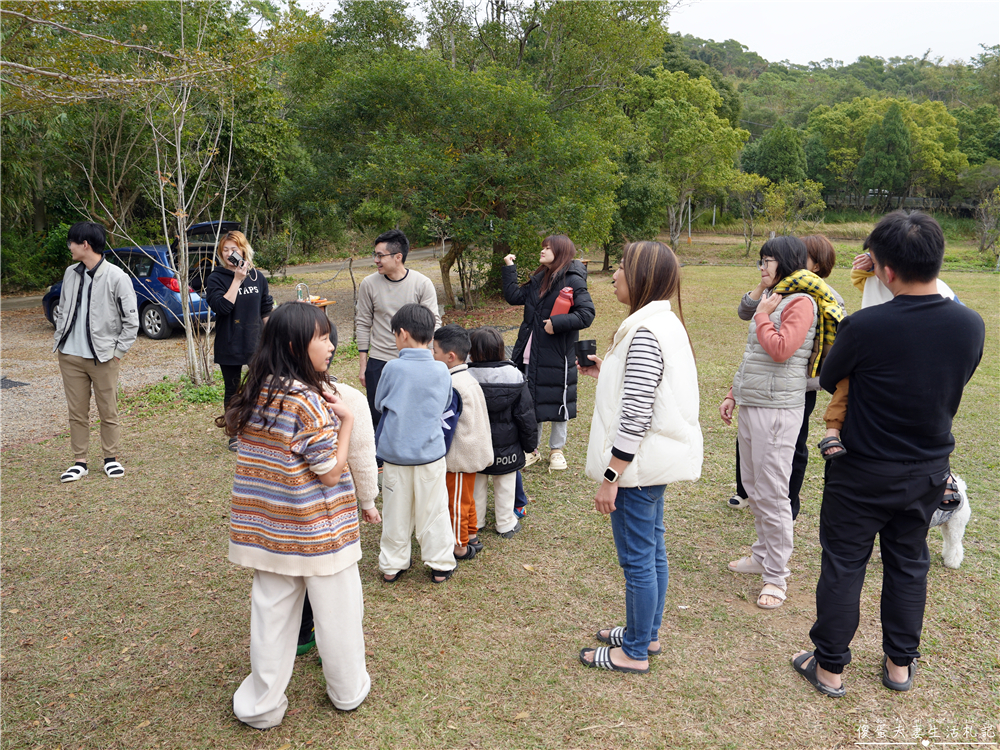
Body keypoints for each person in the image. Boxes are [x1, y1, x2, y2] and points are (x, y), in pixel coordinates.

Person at [791, 211, 984, 697]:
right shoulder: (970, 325)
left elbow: (832, 377)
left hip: (860, 469)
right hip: (926, 471)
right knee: (908, 564)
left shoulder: (866, 325)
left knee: (844, 566)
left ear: (886, 271)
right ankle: (900, 666)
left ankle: (830, 667)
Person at [219, 302, 376, 727]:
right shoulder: (309, 400)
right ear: (294, 344)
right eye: (322, 337)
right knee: (339, 616)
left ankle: (261, 706)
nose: (330, 345)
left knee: (270, 621)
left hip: (269, 532)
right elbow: (329, 474)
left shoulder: (257, 391)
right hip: (319, 532)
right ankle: (347, 692)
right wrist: (345, 421)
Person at [577, 241, 702, 674]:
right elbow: (643, 390)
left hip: (637, 467)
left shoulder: (646, 332)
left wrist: (612, 474)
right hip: (651, 463)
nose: (614, 276)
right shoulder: (660, 325)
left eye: (622, 270)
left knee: (638, 560)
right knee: (652, 552)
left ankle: (632, 651)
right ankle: (644, 634)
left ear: (642, 278)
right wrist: (604, 370)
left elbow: (636, 413)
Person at [719, 236, 842, 610]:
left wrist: (761, 314)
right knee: (755, 486)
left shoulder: (800, 301)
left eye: (768, 260)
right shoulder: (776, 297)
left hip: (778, 409)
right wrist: (732, 393)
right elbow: (754, 356)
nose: (762, 267)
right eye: (761, 260)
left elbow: (780, 349)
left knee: (774, 493)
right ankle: (761, 555)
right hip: (754, 403)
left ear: (785, 262)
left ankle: (777, 575)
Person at [727, 234, 845, 517]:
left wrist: (764, 313)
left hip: (799, 385)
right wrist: (764, 284)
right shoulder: (777, 290)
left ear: (816, 266)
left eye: (802, 256)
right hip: (766, 383)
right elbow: (746, 311)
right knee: (751, 440)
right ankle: (747, 491)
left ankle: (787, 501)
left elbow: (784, 348)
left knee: (793, 446)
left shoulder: (818, 296)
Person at [295, 322, 380, 658]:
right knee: (334, 587)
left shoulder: (268, 397)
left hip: (289, 518)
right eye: (324, 340)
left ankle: (302, 634)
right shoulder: (347, 400)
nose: (329, 347)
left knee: (296, 579)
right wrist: (368, 500)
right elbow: (360, 454)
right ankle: (335, 650)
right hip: (330, 513)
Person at [374, 304, 457, 584]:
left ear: (404, 334)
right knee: (433, 510)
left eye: (394, 335)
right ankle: (440, 564)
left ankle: (392, 565)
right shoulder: (442, 371)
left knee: (396, 511)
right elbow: (446, 403)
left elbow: (379, 403)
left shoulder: (392, 368)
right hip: (431, 454)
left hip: (396, 456)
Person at [53, 221, 139, 483]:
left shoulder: (117, 277)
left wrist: (117, 352)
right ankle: (80, 462)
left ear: (85, 245)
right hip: (70, 355)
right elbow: (64, 308)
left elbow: (131, 321)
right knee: (76, 412)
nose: (69, 246)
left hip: (103, 357)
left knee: (108, 410)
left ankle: (110, 459)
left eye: (72, 242)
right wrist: (61, 338)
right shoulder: (71, 273)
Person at [502, 235, 595, 471]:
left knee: (558, 400)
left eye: (547, 248)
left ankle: (557, 450)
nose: (542, 251)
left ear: (561, 251)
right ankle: (531, 449)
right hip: (529, 351)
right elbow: (514, 297)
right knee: (531, 402)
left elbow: (586, 314)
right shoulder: (538, 279)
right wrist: (509, 269)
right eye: (542, 247)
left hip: (556, 354)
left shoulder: (573, 280)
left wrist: (556, 322)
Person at [356, 229, 441, 430]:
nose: (376, 260)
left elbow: (434, 322)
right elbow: (363, 322)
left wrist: (430, 354)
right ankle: (380, 460)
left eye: (380, 255)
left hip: (415, 360)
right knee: (379, 417)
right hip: (379, 360)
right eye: (374, 255)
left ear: (398, 257)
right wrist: (363, 365)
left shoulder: (422, 283)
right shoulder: (368, 284)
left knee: (412, 414)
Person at [466, 327, 539, 540]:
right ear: (500, 349)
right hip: (509, 447)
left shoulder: (466, 377)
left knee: (477, 485)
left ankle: (477, 521)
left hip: (476, 446)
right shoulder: (515, 377)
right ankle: (505, 523)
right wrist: (529, 445)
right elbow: (526, 416)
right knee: (505, 485)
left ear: (472, 352)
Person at [205, 230, 274, 450]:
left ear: (243, 250)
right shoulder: (216, 278)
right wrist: (236, 280)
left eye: (233, 249)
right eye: (225, 250)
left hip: (256, 342)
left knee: (263, 386)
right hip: (229, 342)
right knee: (232, 390)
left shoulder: (257, 276)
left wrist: (273, 336)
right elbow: (222, 307)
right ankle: (235, 433)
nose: (229, 253)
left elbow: (266, 309)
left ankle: (261, 429)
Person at [432, 324, 495, 560]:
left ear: (449, 357)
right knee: (466, 498)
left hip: (460, 455)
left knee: (456, 502)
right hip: (473, 450)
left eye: (435, 351)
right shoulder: (467, 378)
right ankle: (470, 535)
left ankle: (459, 545)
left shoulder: (453, 385)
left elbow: (447, 425)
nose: (432, 355)